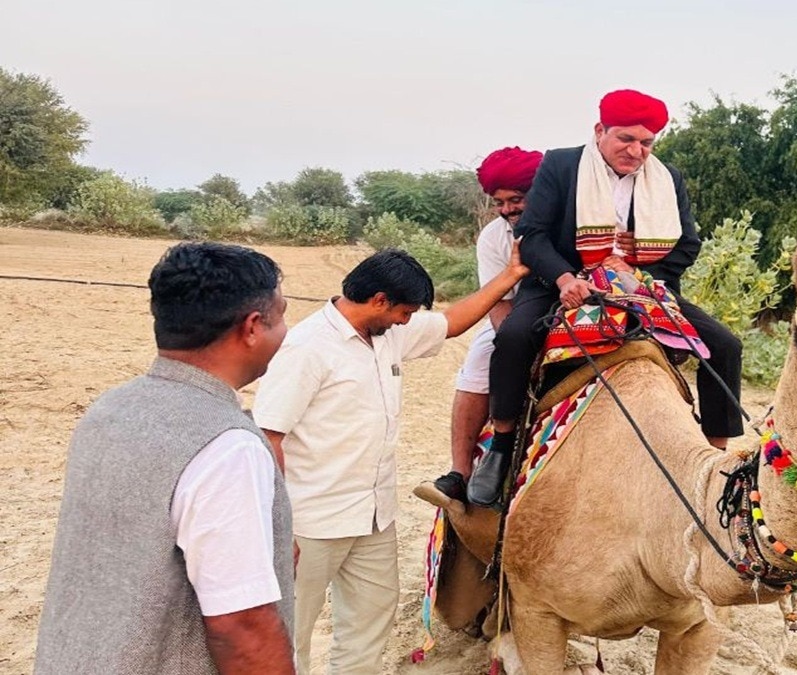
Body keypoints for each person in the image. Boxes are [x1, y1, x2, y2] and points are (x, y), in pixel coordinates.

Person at [252, 247, 526, 674]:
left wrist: (510, 275)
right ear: (379, 300)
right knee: (289, 634)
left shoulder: (387, 333)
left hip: (374, 517)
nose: (407, 321)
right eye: (404, 311)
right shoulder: (307, 348)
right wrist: (275, 523)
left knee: (368, 625)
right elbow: (268, 437)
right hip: (310, 521)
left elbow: (451, 323)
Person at [467, 88, 744, 507]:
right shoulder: (561, 164)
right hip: (561, 284)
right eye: (626, 139)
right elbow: (534, 234)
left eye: (646, 142)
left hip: (637, 287)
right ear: (600, 131)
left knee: (725, 345)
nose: (636, 151)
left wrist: (639, 275)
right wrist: (562, 278)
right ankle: (502, 446)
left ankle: (713, 458)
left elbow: (687, 244)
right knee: (513, 337)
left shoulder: (667, 179)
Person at [35, 242, 295, 674]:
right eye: (282, 314)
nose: (286, 330)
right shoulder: (227, 446)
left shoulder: (110, 409)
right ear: (252, 327)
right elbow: (242, 627)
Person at [430, 146, 543, 502]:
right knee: (481, 361)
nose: (507, 209)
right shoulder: (493, 237)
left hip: (572, 309)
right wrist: (521, 345)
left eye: (517, 199)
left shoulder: (568, 222)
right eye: (500, 202)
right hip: (513, 316)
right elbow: (498, 304)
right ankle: (460, 472)